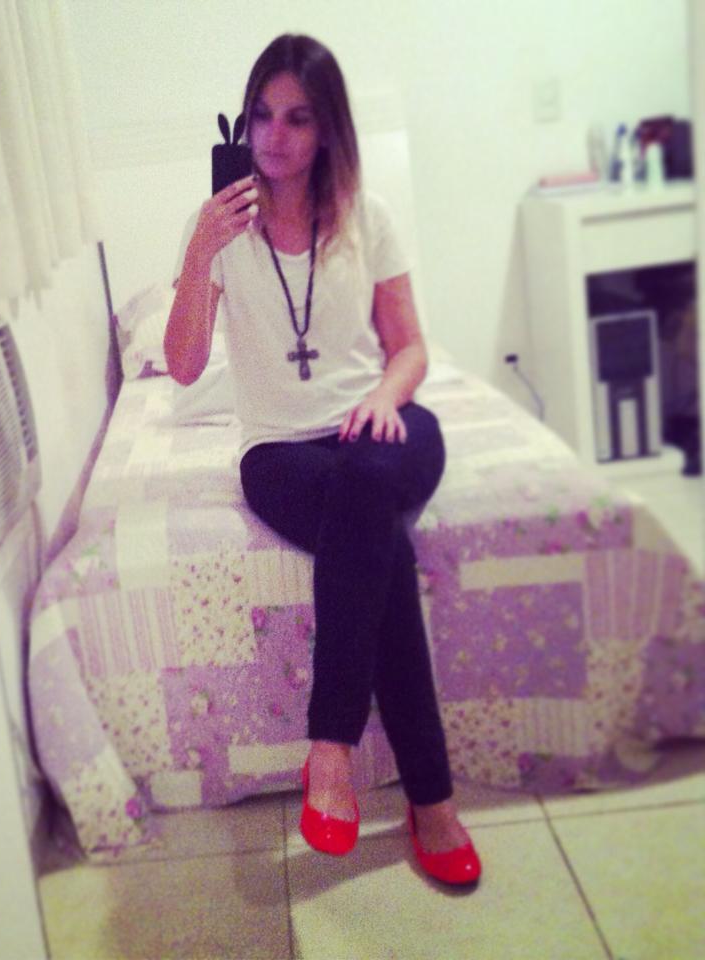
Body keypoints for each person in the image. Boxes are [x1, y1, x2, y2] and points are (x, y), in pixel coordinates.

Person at [164, 33, 481, 887]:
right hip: (278, 453)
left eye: (297, 118)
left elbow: (409, 347)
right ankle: (432, 803)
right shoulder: (218, 229)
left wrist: (384, 396)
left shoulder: (367, 218)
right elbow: (184, 366)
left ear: (328, 128)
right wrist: (197, 254)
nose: (274, 136)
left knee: (370, 478)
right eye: (262, 115)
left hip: (377, 427)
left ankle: (330, 748)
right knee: (380, 536)